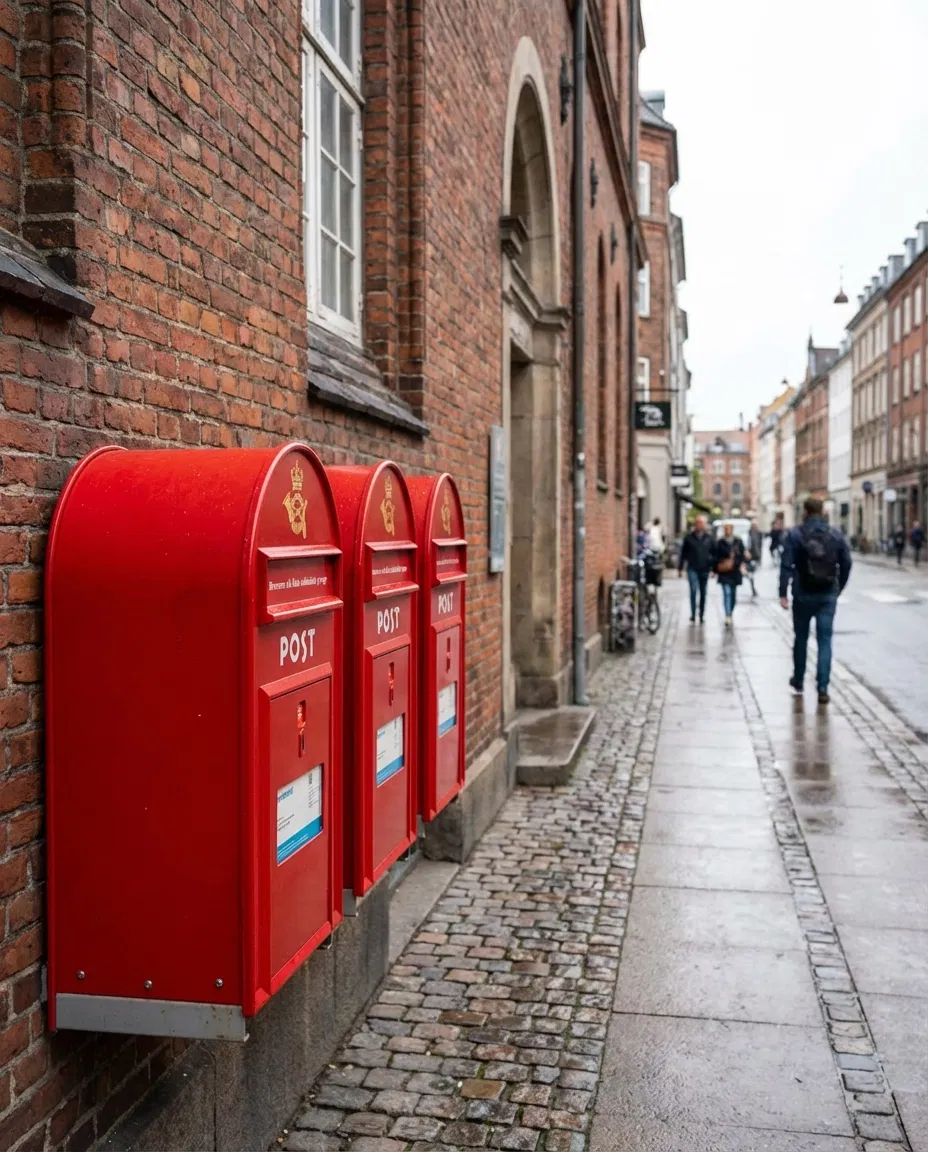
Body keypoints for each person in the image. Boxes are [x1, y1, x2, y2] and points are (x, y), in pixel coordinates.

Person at [779, 497, 852, 705]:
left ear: (805, 512)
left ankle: (799, 679)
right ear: (822, 512)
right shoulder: (835, 534)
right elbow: (846, 563)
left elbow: (786, 565)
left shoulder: (795, 534)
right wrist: (839, 587)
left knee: (800, 637)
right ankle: (823, 687)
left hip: (802, 593)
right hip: (827, 594)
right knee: (825, 639)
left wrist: (783, 592)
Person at [678, 514, 714, 624]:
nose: (700, 525)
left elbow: (714, 553)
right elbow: (683, 553)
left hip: (705, 568)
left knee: (703, 592)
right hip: (692, 567)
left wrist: (713, 568)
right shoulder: (689, 537)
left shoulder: (709, 538)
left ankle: (701, 614)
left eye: (702, 523)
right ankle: (693, 614)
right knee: (693, 590)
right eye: (698, 522)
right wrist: (680, 568)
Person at [712, 523, 745, 627]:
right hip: (724, 572)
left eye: (728, 529)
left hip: (734, 572)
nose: (727, 531)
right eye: (725, 529)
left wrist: (737, 563)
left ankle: (730, 611)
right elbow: (715, 557)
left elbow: (742, 555)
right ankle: (727, 614)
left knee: (733, 594)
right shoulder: (720, 542)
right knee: (727, 593)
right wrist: (715, 569)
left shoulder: (738, 541)